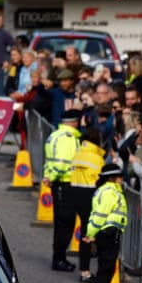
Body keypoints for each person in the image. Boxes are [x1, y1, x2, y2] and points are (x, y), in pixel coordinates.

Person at [83, 163, 127, 283]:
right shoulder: (110, 192)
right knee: (105, 271)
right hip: (108, 234)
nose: (122, 179)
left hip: (106, 233)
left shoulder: (106, 190)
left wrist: (92, 234)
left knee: (105, 269)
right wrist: (90, 234)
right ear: (113, 178)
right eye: (120, 176)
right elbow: (100, 215)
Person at [44, 109, 82, 271]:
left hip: (58, 184)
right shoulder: (68, 138)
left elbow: (50, 161)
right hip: (65, 183)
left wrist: (48, 176)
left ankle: (59, 258)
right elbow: (61, 163)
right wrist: (52, 177)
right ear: (75, 122)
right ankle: (59, 259)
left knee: (61, 223)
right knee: (65, 223)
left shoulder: (55, 135)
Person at [70, 127, 106, 283]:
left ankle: (84, 270)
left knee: (86, 232)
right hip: (90, 195)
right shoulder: (96, 158)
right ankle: (86, 272)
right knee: (91, 234)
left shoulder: (78, 153)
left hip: (76, 194)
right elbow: (102, 180)